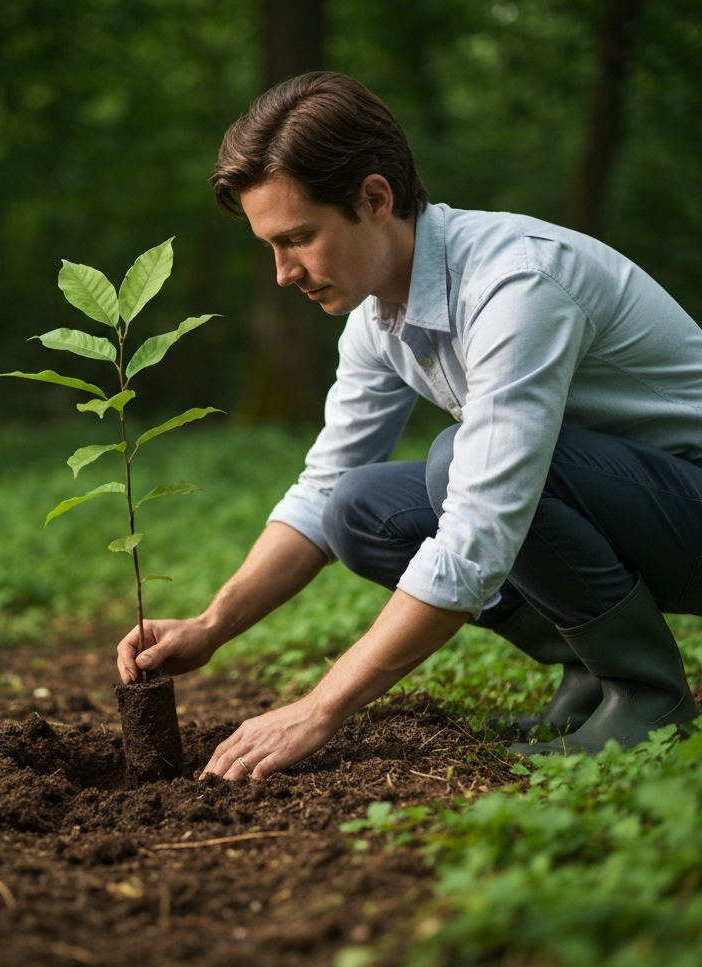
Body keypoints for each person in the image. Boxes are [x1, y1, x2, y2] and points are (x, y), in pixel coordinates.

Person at [116, 71, 702, 780]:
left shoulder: (516, 285)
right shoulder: (376, 318)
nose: (282, 272)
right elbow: (321, 487)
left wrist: (321, 706)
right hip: (640, 509)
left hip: (688, 505)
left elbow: (482, 526)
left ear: (374, 198)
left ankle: (647, 695)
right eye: (271, 245)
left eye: (299, 237)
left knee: (459, 465)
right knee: (357, 508)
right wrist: (213, 625)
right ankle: (590, 666)